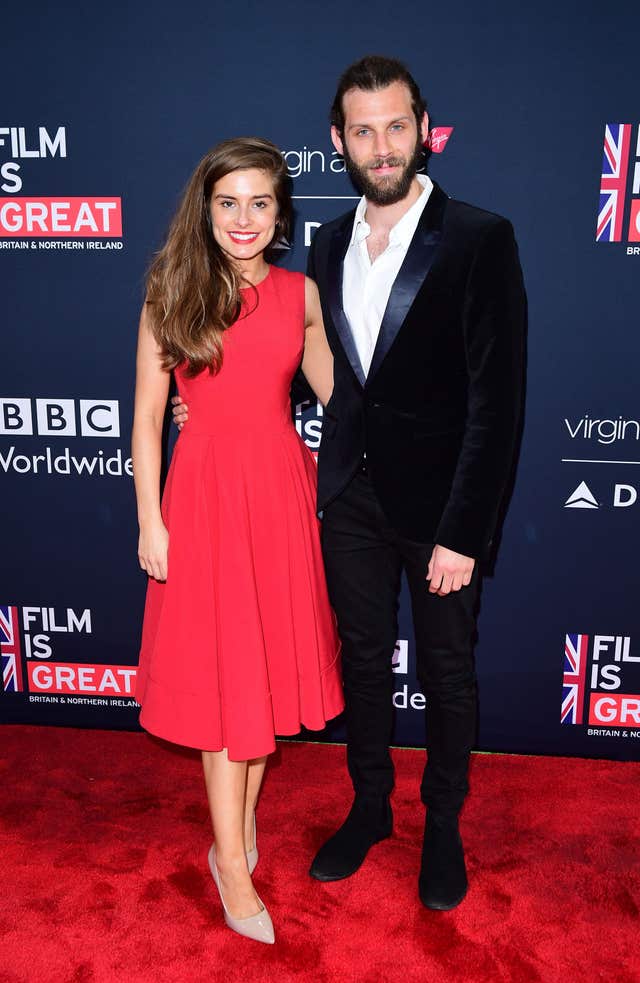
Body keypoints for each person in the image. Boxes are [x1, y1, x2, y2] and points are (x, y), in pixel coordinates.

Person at [173, 55, 526, 913]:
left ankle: (440, 826)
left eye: (395, 126)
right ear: (339, 141)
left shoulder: (480, 237)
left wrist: (465, 531)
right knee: (362, 664)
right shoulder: (325, 246)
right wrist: (203, 404)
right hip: (346, 501)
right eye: (361, 130)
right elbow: (312, 371)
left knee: (447, 670)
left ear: (423, 130)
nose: (380, 145)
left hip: (441, 509)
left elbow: (498, 402)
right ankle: (369, 807)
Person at [132, 137, 343, 945]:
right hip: (206, 498)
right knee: (226, 690)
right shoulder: (172, 288)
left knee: (256, 683)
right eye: (228, 202)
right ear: (205, 207)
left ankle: (237, 829)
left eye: (260, 202)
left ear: (281, 212)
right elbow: (149, 417)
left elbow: (342, 399)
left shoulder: (302, 295)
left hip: (281, 495)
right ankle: (228, 860)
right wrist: (152, 518)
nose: (244, 218)